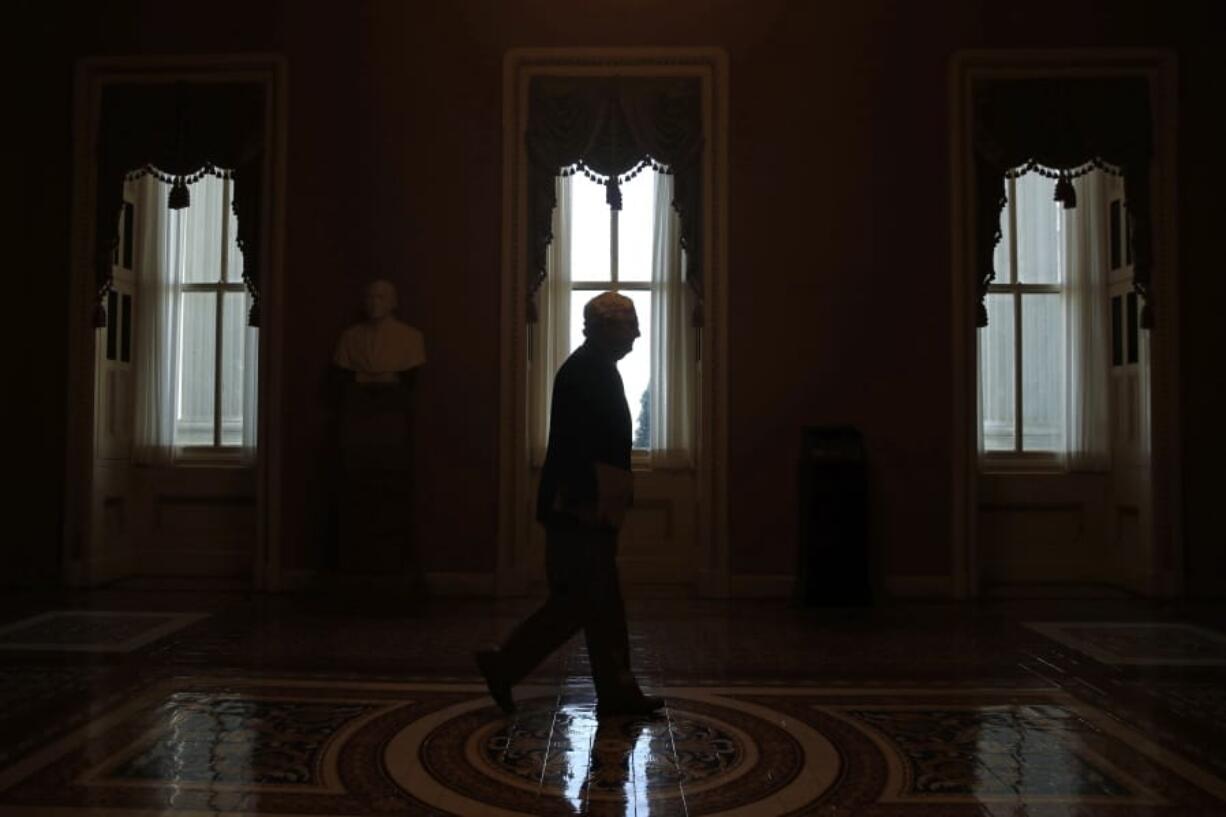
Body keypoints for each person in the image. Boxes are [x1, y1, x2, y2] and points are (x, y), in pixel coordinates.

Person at [476, 292, 664, 718]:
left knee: (597, 603)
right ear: (604, 327)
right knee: (580, 603)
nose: (636, 332)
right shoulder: (585, 372)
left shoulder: (593, 369)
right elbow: (576, 449)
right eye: (629, 323)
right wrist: (589, 505)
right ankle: (504, 665)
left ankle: (617, 691)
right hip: (579, 509)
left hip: (585, 506)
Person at [333, 279, 426, 383]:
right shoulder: (349, 336)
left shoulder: (412, 337)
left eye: (381, 297)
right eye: (370, 297)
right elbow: (341, 370)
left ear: (393, 302)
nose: (375, 302)